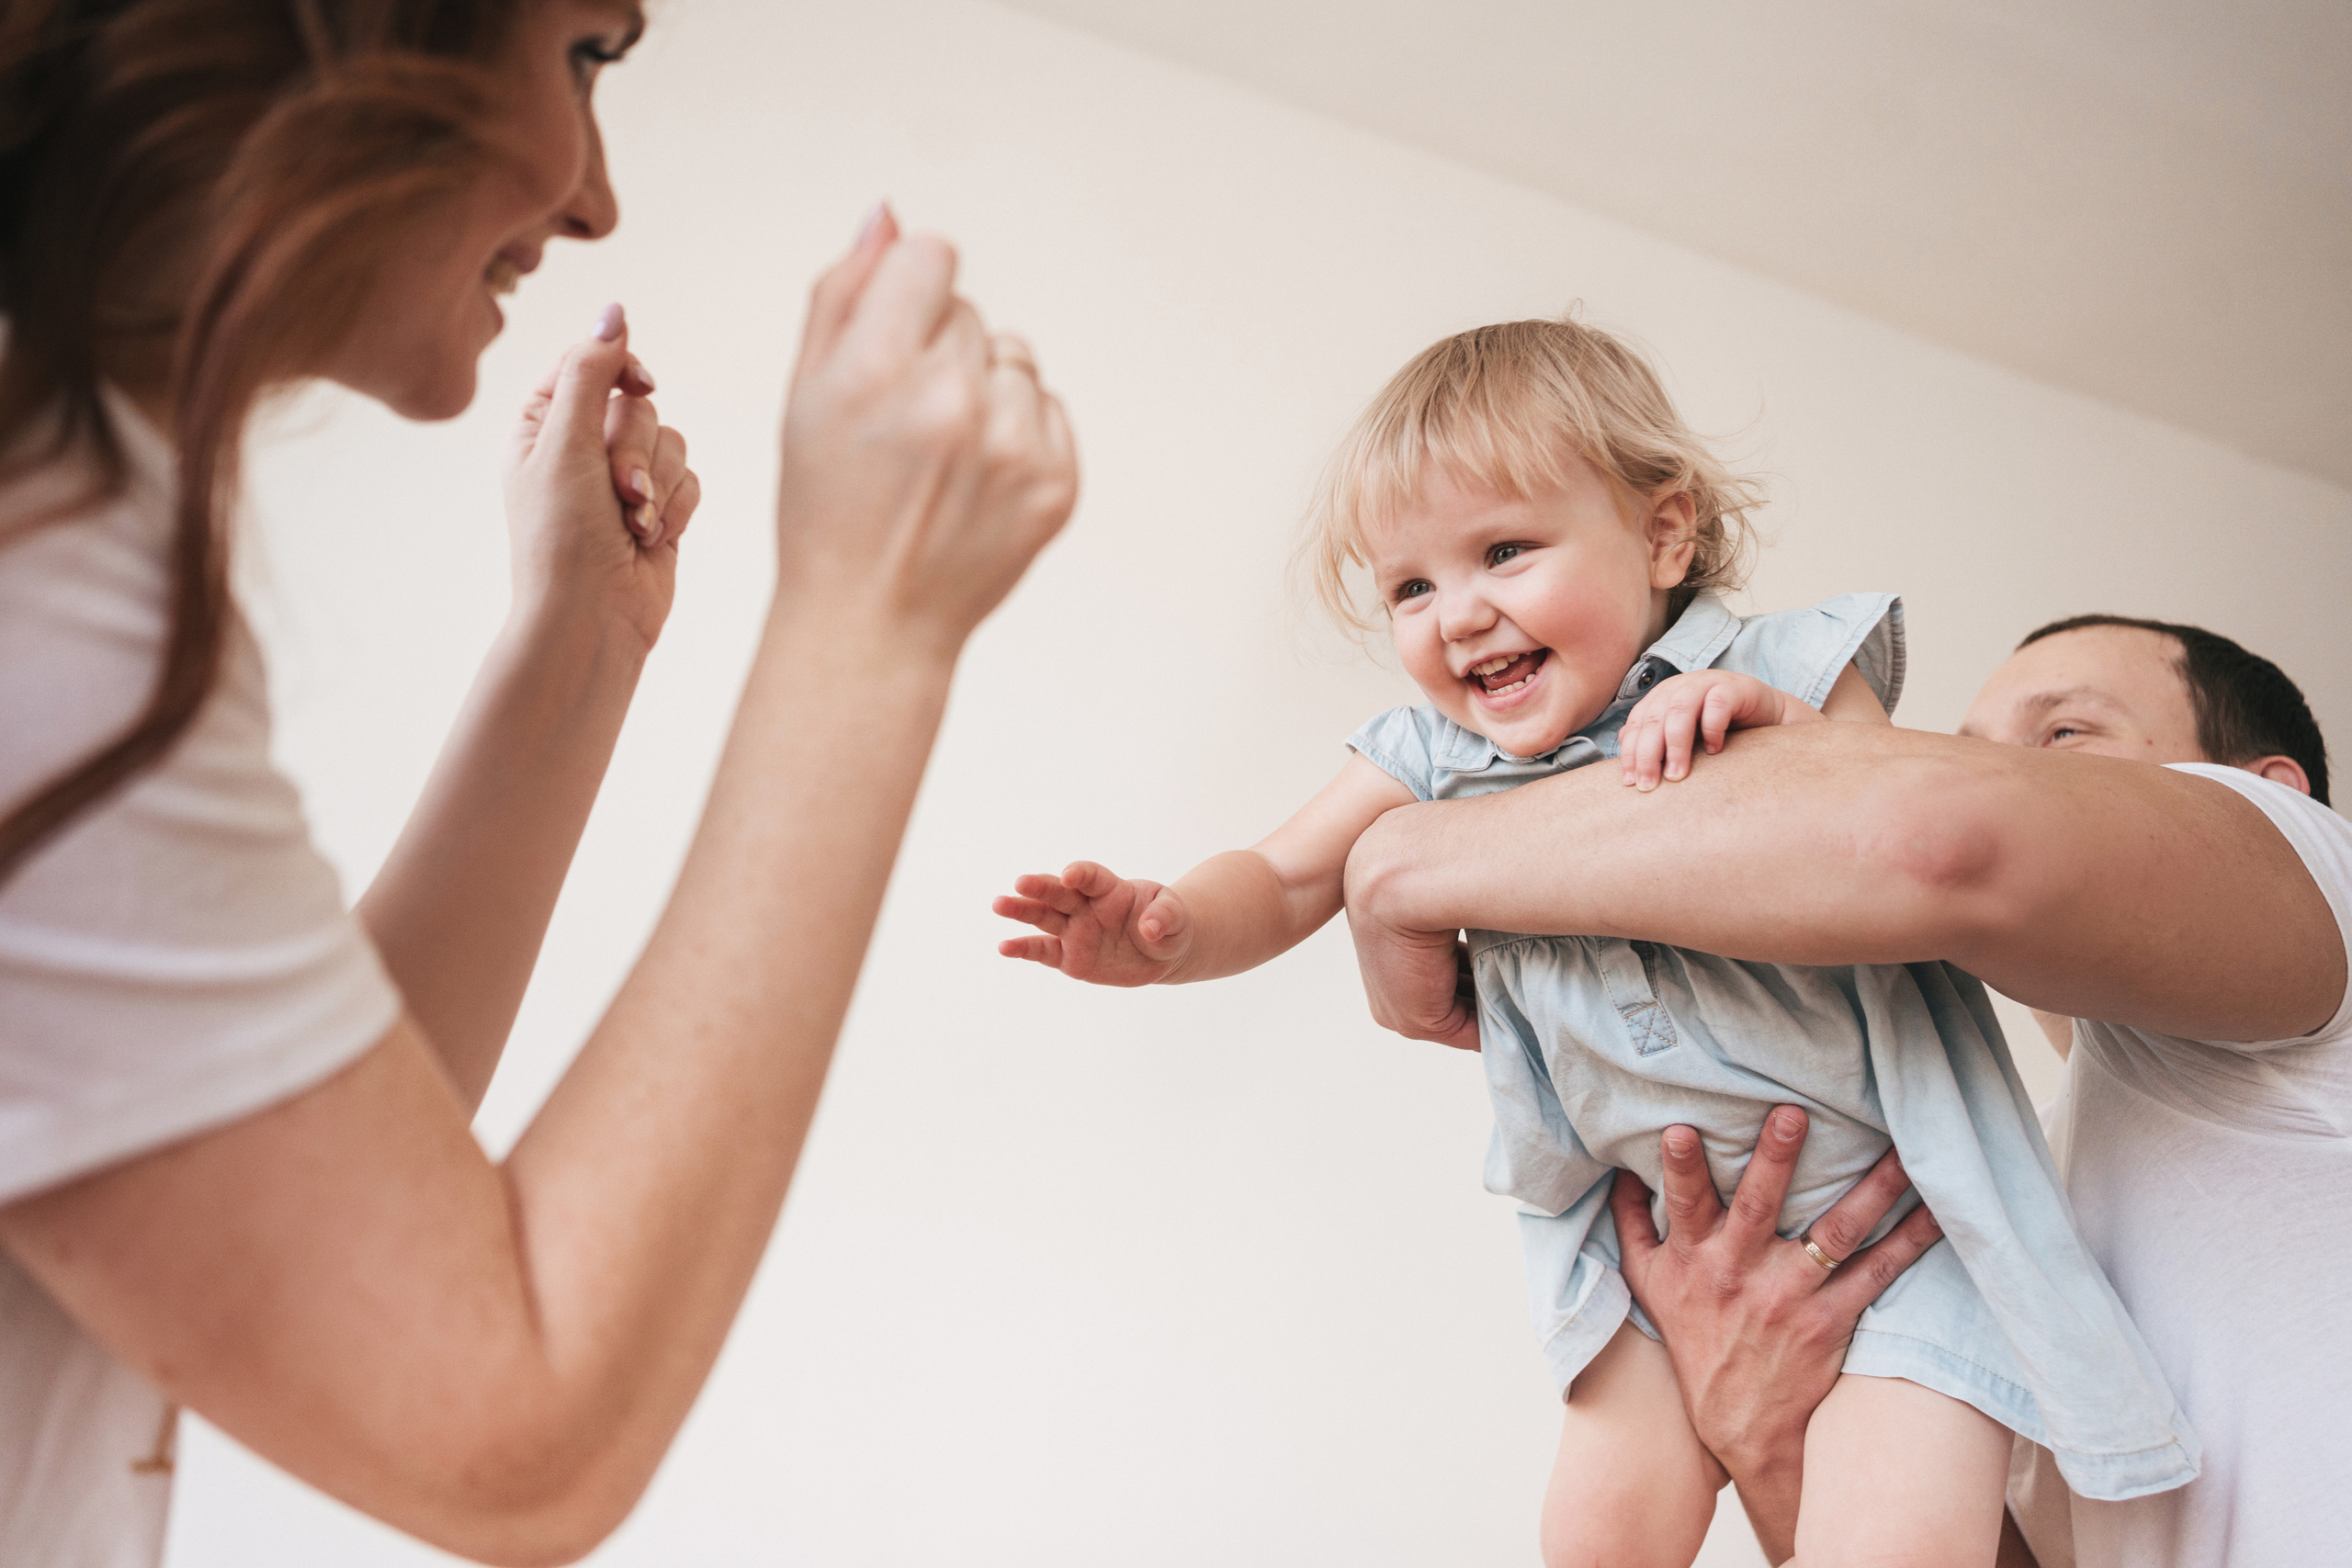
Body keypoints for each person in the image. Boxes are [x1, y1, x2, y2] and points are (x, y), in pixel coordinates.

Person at [0, 4, 1076, 1565]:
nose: (594, 200)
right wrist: (874, 618)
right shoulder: (46, 565)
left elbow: (322, 1214)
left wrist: (581, 639)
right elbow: (515, 1436)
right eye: (585, 53)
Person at [989, 319, 2190, 1568]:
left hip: (1904, 1232)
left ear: (1666, 531)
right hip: (1648, 1260)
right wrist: (1172, 929)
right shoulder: (1432, 760)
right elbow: (1289, 872)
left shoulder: (1778, 662)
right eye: (1410, 584)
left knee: (1894, 1540)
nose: (1458, 615)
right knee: (1593, 1536)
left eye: (1503, 550)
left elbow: (1896, 814)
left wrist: (1776, 726)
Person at [1343, 613, 2346, 1567]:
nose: (1995, 766)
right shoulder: (1988, 1202)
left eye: (2064, 733)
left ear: (2269, 791)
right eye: (1962, 744)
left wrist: (1404, 858)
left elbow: (1933, 835)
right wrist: (1761, 1415)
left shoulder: (2320, 882)